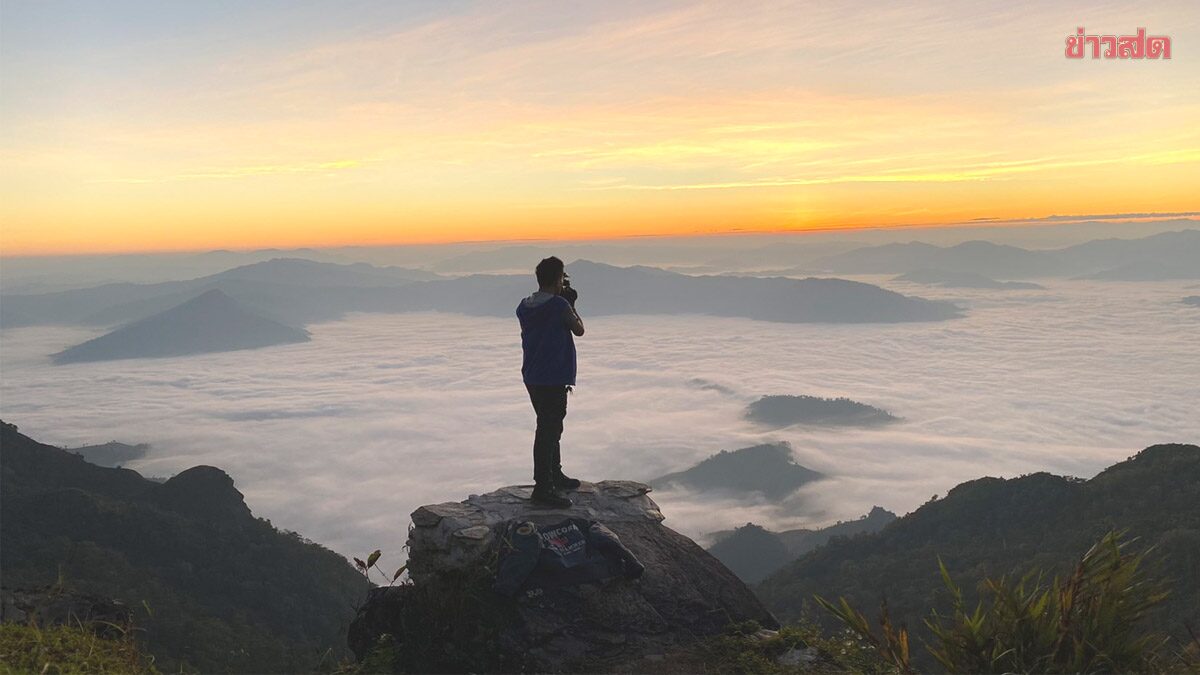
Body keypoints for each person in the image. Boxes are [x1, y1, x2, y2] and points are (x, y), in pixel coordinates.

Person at [516, 256, 585, 508]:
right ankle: (543, 487)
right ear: (558, 279)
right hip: (553, 376)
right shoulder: (558, 306)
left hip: (533, 376)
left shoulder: (524, 306)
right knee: (548, 430)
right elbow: (578, 329)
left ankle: (554, 474)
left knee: (549, 426)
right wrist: (571, 303)